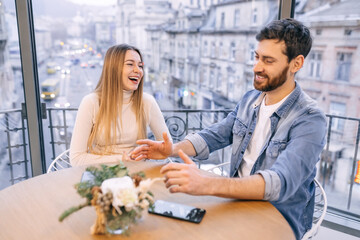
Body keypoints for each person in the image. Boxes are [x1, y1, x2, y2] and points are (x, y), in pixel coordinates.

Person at [131, 18, 327, 240]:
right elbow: (216, 135)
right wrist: (172, 150)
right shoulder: (250, 99)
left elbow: (279, 182)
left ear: (296, 64)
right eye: (257, 57)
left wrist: (207, 183)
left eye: (268, 61)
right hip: (237, 203)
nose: (257, 67)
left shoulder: (311, 119)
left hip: (277, 219)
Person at [70, 44, 171, 166]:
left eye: (140, 66)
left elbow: (167, 147)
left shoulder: (147, 101)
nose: (138, 70)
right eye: (130, 64)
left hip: (138, 173)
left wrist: (157, 152)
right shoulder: (91, 102)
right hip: (102, 175)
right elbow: (76, 158)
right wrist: (122, 159)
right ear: (113, 68)